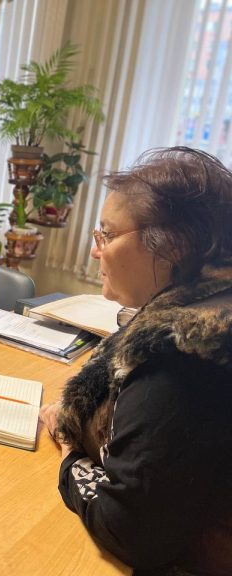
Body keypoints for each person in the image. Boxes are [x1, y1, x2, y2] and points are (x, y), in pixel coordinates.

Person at [39, 147, 232, 575]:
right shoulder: (212, 304)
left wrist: (70, 452)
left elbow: (129, 529)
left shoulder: (183, 353)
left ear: (173, 245)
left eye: (107, 235)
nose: (96, 252)